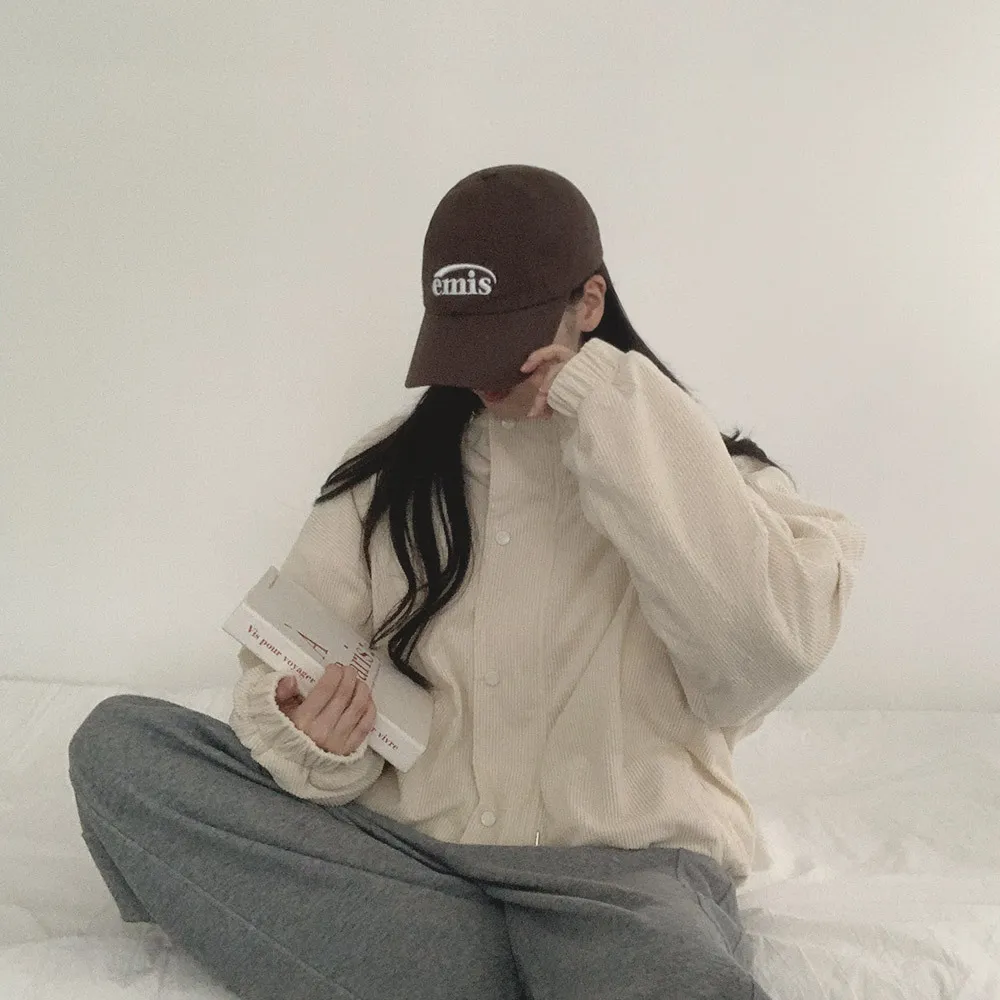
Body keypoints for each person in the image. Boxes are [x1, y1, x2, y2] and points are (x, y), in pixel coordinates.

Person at [67, 164, 866, 1000]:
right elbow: (287, 665)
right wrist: (316, 740)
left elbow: (761, 654)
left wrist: (610, 407)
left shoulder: (717, 482)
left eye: (507, 342)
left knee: (668, 977)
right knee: (122, 747)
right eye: (462, 341)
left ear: (589, 304)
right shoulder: (385, 481)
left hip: (623, 889)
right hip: (411, 875)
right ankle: (469, 966)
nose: (483, 377)